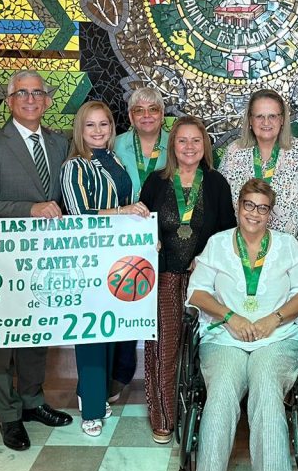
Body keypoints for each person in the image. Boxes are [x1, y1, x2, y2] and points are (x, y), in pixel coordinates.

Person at [177, 178, 298, 471]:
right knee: (222, 389)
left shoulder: (287, 245)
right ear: (239, 206)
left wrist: (274, 318)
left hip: (278, 337)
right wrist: (230, 316)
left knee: (266, 387)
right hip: (225, 337)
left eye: (262, 207)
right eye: (248, 205)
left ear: (271, 213)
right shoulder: (218, 243)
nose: (254, 213)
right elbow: (197, 293)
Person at [0, 70, 73, 451]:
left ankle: (32, 401)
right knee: (2, 341)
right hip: (2, 262)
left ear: (47, 100)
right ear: (10, 101)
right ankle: (9, 415)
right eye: (22, 93)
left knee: (37, 332)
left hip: (47, 260)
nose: (31, 99)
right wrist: (30, 209)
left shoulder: (60, 144)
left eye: (38, 93)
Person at [139, 115, 236, 443]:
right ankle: (164, 416)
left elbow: (227, 233)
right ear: (172, 145)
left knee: (205, 349)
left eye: (196, 140)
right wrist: (147, 240)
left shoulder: (217, 183)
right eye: (183, 140)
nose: (190, 147)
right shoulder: (155, 182)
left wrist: (206, 259)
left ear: (205, 145)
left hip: (204, 280)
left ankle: (206, 415)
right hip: (164, 276)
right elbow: (141, 226)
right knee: (164, 347)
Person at [60, 100, 150, 436]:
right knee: (92, 334)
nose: (98, 131)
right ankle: (91, 408)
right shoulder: (75, 166)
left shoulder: (113, 159)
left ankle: (94, 393)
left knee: (110, 331)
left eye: (104, 125)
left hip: (116, 258)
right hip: (88, 259)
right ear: (80, 130)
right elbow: (78, 214)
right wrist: (123, 212)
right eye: (90, 125)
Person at [111, 87, 169, 401]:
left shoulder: (177, 142)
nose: (146, 116)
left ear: (163, 114)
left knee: (165, 306)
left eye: (153, 110)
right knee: (125, 300)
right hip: (126, 237)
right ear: (131, 116)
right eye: (139, 111)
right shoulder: (116, 144)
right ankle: (121, 373)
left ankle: (167, 375)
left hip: (170, 236)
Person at [219, 89, 298, 236]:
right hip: (242, 248)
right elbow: (221, 206)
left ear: (282, 120)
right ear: (250, 119)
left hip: (286, 249)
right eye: (259, 116)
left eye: (272, 116)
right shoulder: (233, 152)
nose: (266, 122)